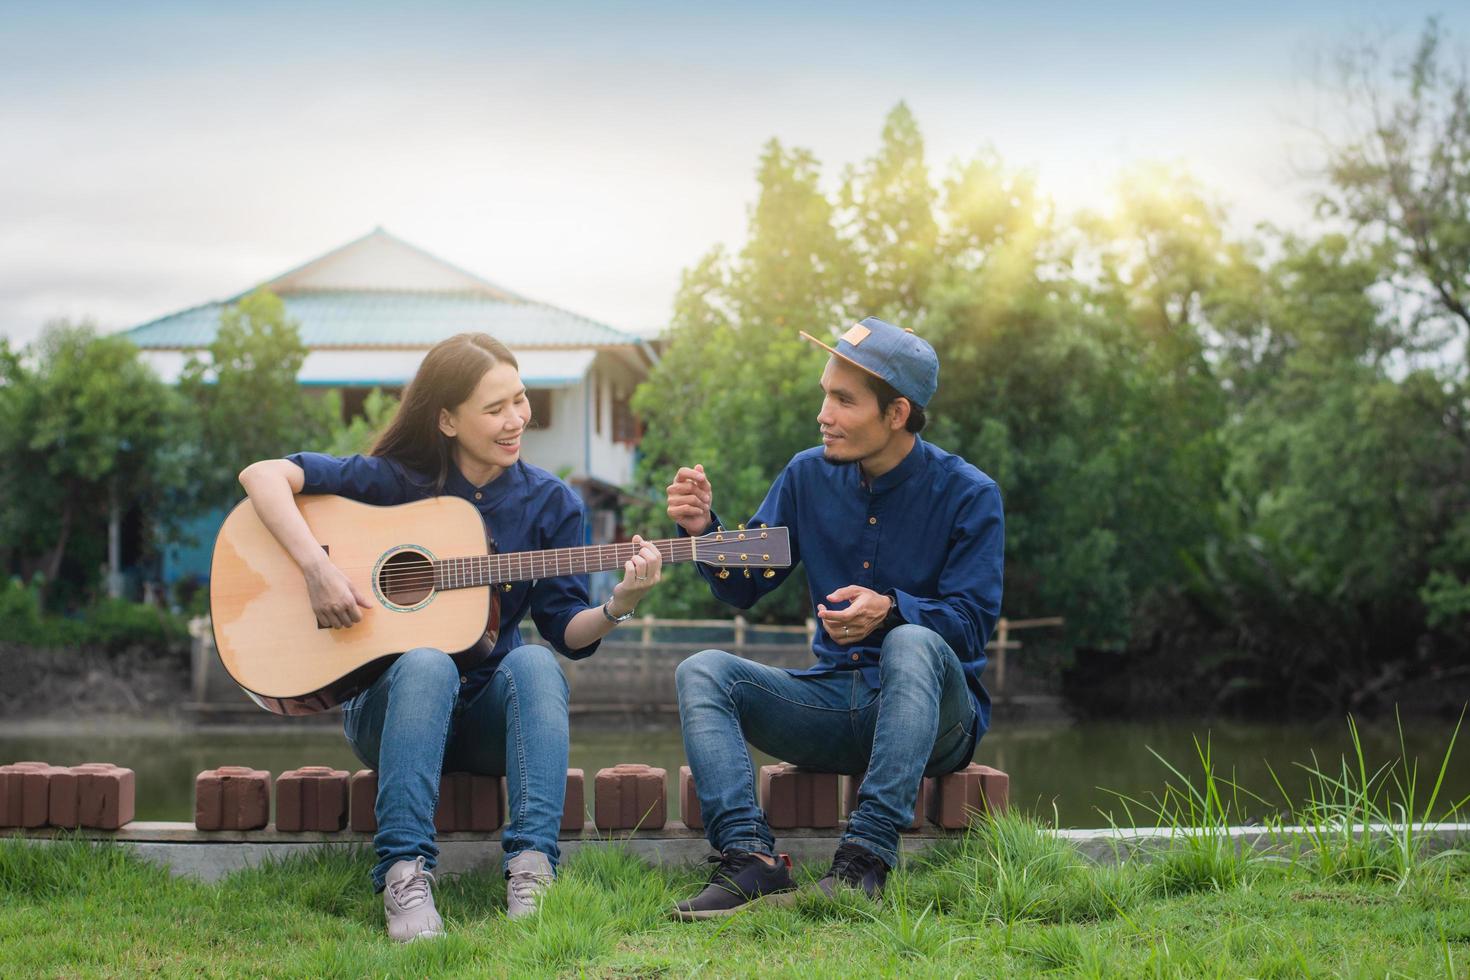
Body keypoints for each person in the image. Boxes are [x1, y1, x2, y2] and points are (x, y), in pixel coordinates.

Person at [238, 332, 663, 941]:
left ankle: (532, 869)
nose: (516, 419)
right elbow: (263, 475)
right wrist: (318, 570)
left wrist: (620, 603)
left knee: (538, 666)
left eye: (520, 400)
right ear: (445, 419)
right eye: (495, 409)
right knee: (427, 662)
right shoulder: (391, 481)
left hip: (489, 718)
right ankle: (404, 875)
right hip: (392, 716)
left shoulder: (552, 504)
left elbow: (568, 632)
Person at [665, 316, 1003, 918]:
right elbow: (744, 586)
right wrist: (703, 532)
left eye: (844, 401)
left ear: (896, 413)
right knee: (703, 670)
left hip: (937, 724)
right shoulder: (806, 476)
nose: (824, 413)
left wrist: (892, 611)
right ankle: (750, 861)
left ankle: (863, 862)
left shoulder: (969, 494)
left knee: (912, 644)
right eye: (826, 394)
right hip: (830, 704)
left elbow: (972, 624)